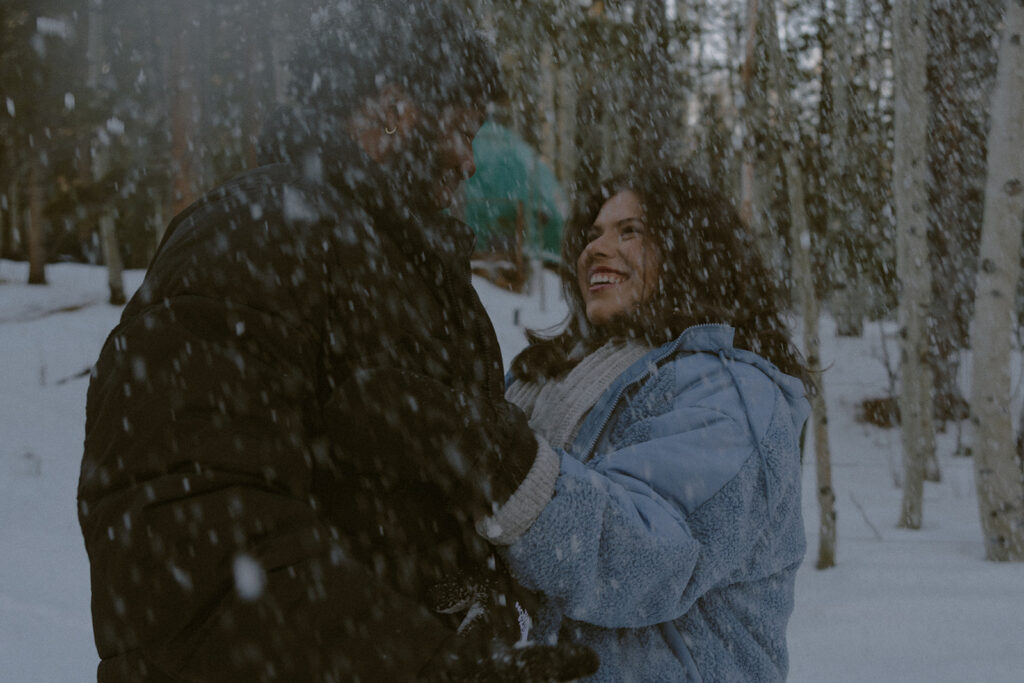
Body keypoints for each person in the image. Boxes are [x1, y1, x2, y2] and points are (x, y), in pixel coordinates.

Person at [78, 3, 595, 681]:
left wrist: (480, 617)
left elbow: (422, 518)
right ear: (392, 107)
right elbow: (187, 532)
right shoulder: (254, 232)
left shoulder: (419, 272)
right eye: (463, 130)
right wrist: (422, 664)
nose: (470, 162)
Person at [470, 164, 812, 681]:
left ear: (690, 250)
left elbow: (644, 557)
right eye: (592, 235)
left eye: (629, 231)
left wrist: (506, 464)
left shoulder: (731, 394)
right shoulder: (547, 378)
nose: (595, 250)